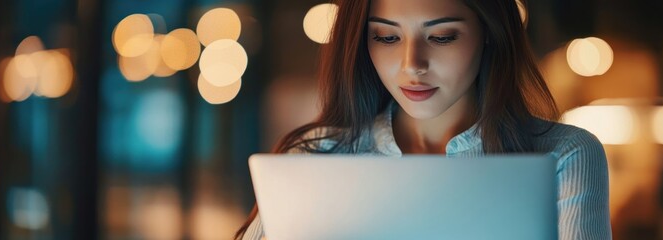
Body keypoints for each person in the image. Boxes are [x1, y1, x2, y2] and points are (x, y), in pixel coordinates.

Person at [235, 0, 611, 239]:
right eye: (385, 37)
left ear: (490, 35)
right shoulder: (317, 156)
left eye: (442, 36)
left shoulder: (564, 155)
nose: (411, 65)